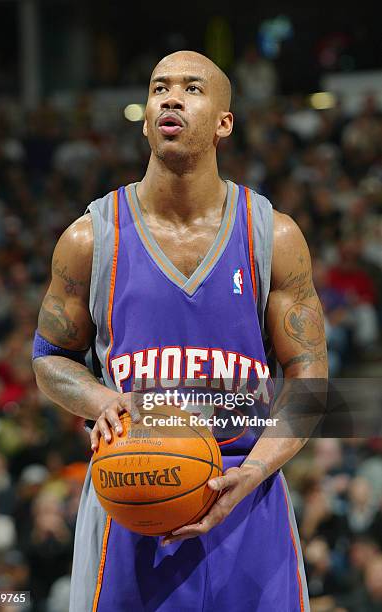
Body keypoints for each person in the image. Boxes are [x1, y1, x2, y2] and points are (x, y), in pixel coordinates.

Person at [32, 51, 328, 611]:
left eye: (192, 88)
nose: (171, 97)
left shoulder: (275, 236)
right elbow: (49, 356)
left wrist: (260, 467)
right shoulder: (90, 238)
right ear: (145, 119)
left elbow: (310, 376)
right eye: (159, 88)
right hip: (130, 497)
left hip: (246, 494)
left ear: (224, 121)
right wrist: (101, 398)